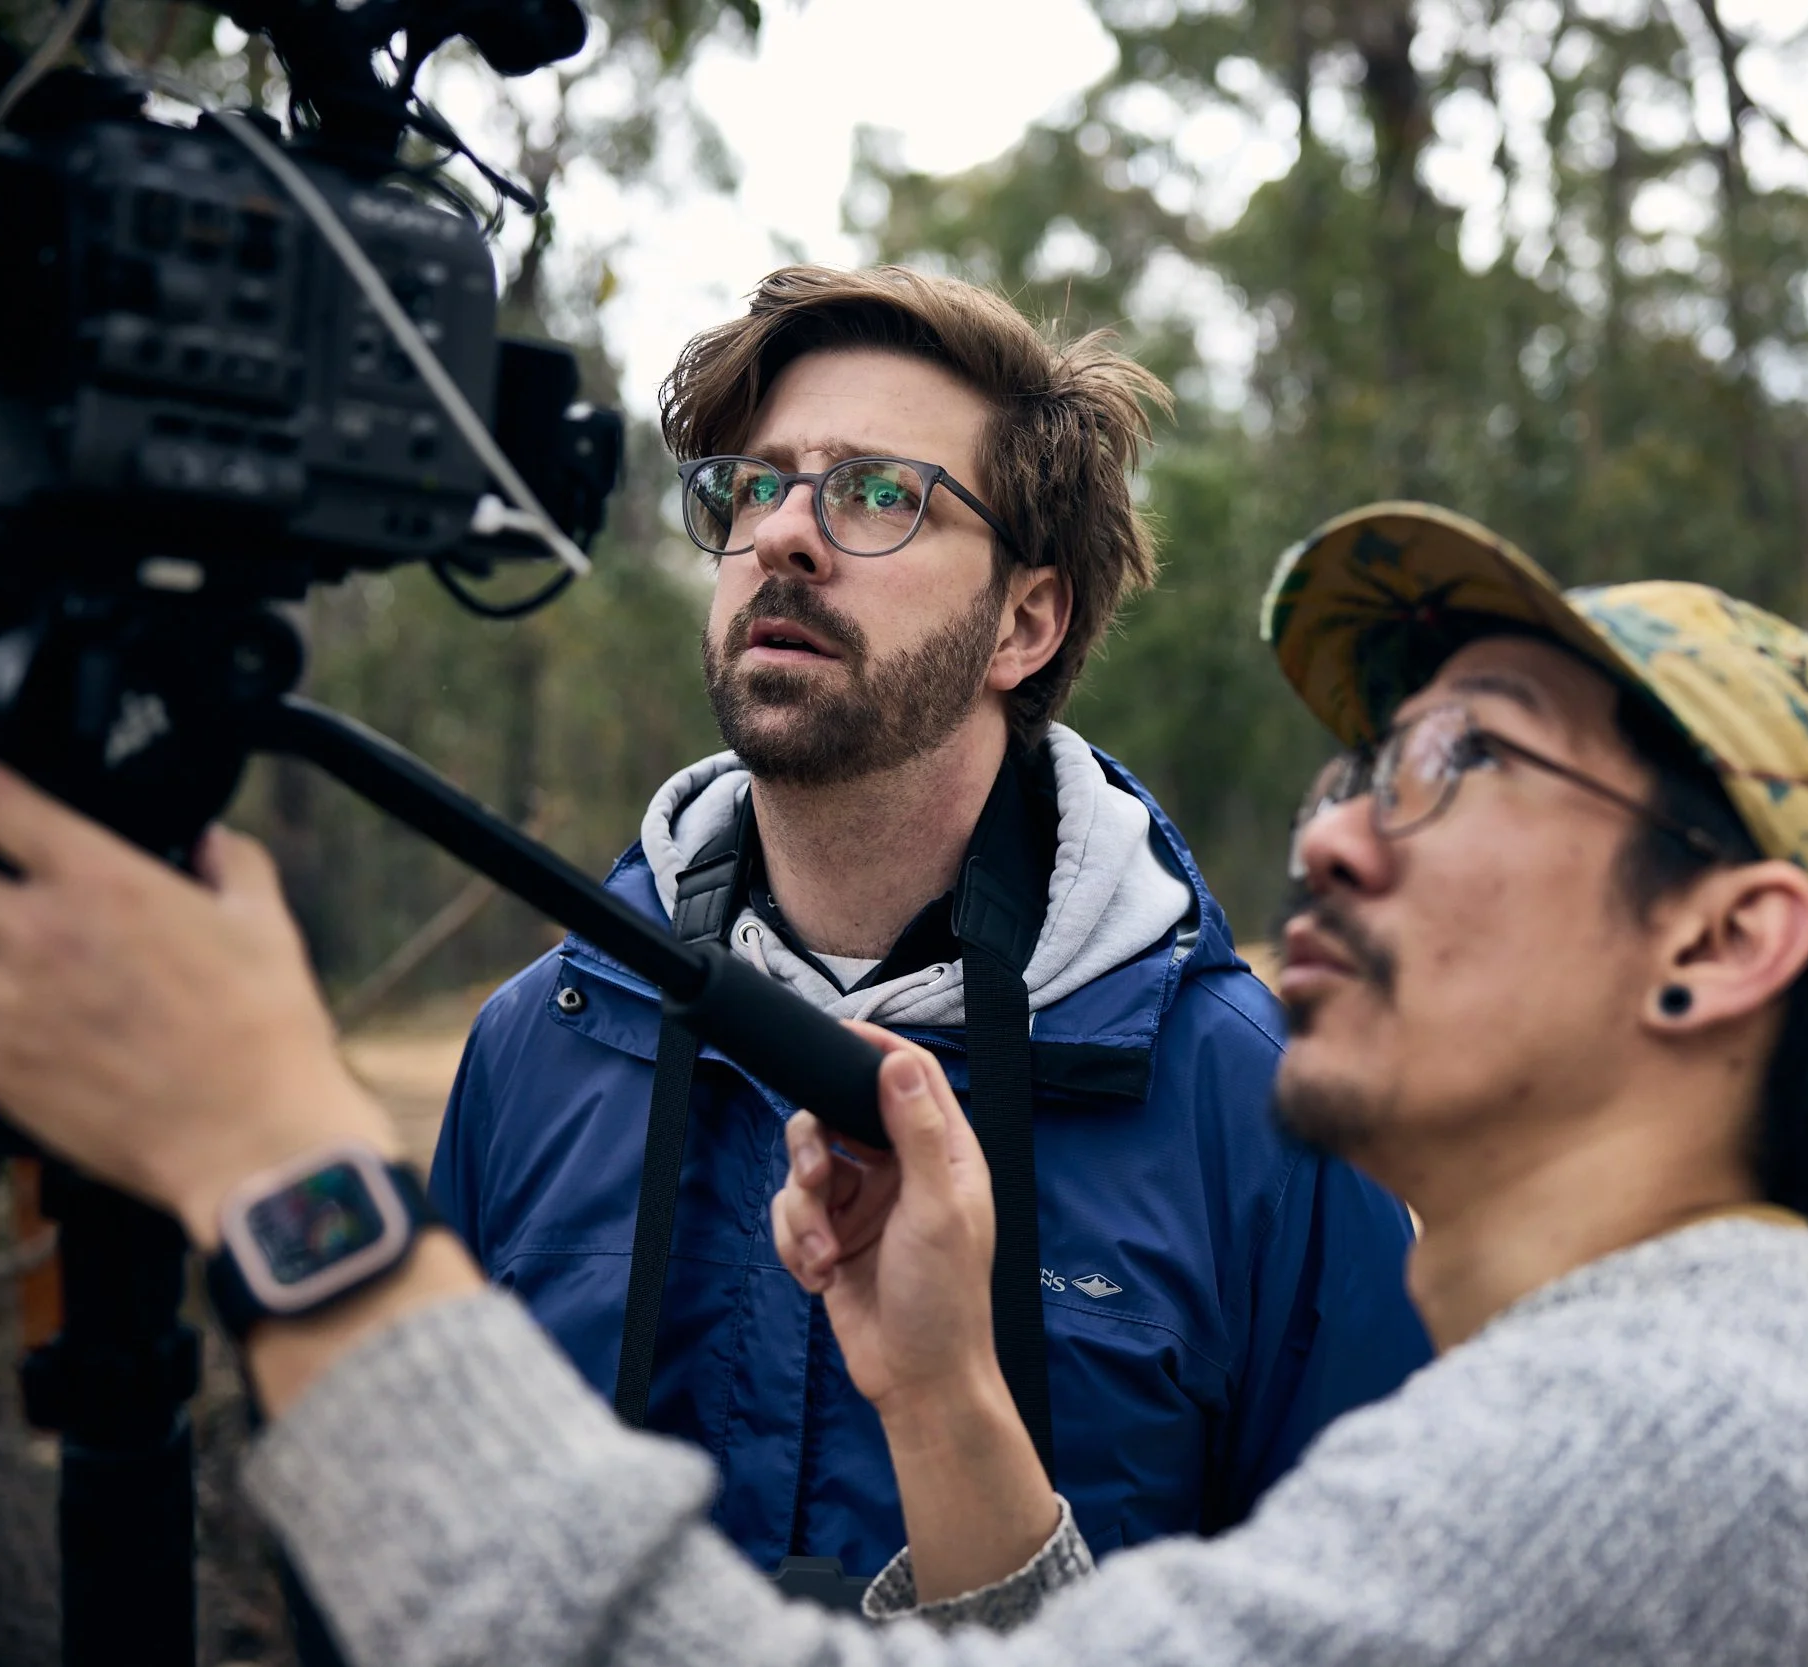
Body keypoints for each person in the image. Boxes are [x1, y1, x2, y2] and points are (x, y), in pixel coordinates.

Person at [0, 502, 1808, 1664]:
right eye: (1360, 767)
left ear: (1718, 941)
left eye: (1469, 762)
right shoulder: (1680, 1386)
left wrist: (277, 1167)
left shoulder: (1672, 1439)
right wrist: (943, 1396)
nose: (1334, 835)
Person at [425, 265, 1430, 1583]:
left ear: (1025, 620)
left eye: (879, 493)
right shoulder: (543, 1044)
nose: (785, 534)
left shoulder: (1260, 1107)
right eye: (754, 486)